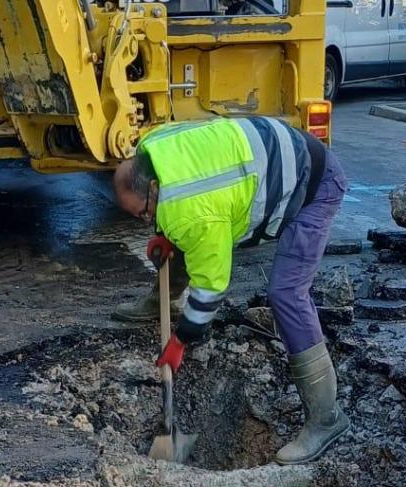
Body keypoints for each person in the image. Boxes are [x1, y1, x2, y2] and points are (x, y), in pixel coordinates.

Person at [112, 116, 350, 465]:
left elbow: (211, 289)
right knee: (183, 231)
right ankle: (158, 302)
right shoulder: (154, 146)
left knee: (286, 293)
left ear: (151, 188)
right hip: (278, 157)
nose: (145, 220)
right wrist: (163, 231)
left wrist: (181, 340)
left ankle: (327, 418)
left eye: (145, 214)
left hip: (314, 185)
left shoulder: (189, 209)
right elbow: (183, 220)